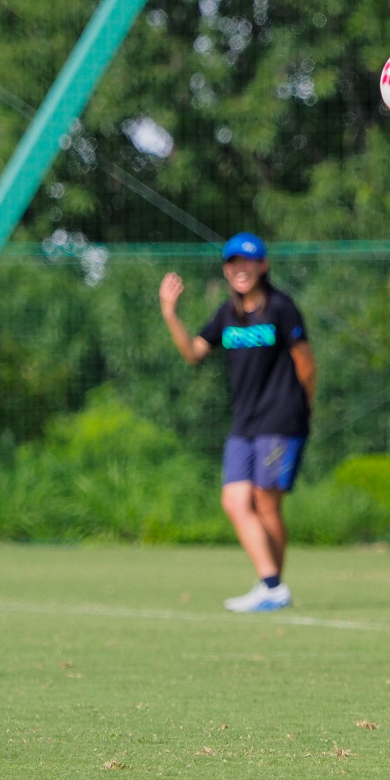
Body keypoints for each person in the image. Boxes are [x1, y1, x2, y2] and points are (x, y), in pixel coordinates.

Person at [159, 233, 317, 612]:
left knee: (265, 503)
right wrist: (170, 313)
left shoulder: (281, 308)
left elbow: (306, 364)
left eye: (248, 262)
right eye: (232, 263)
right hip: (243, 423)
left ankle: (272, 585)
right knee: (234, 501)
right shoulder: (227, 314)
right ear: (226, 270)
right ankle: (272, 585)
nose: (240, 269)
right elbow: (194, 352)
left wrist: (302, 411)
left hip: (281, 419)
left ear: (263, 266)